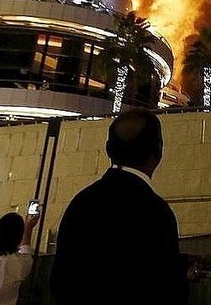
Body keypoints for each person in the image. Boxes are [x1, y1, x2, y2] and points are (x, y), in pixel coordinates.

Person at [49, 107, 195, 304]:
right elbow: (167, 291)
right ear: (158, 151)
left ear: (108, 149)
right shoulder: (156, 212)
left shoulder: (81, 202)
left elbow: (59, 281)